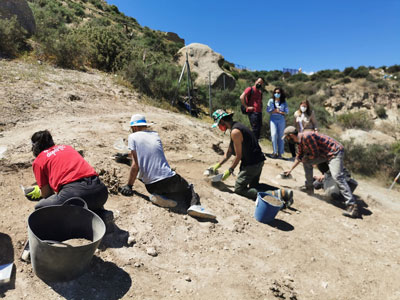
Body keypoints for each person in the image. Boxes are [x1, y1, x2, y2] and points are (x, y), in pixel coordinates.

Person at [120, 114, 216, 220]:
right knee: (189, 188)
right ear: (145, 126)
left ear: (134, 127)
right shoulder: (155, 135)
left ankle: (160, 196)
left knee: (149, 178)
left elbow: (135, 164)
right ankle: (195, 205)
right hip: (169, 180)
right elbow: (150, 152)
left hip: (151, 186)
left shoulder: (132, 137)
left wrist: (129, 186)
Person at [208, 109, 293, 203]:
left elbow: (238, 156)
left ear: (222, 121)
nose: (219, 127)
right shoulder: (236, 126)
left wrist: (230, 170)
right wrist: (217, 166)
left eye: (219, 124)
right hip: (258, 161)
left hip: (252, 164)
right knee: (254, 186)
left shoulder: (235, 132)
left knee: (239, 189)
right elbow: (229, 152)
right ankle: (284, 193)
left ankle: (275, 195)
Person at [27, 130, 111, 219]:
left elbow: (47, 194)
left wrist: (40, 192)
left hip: (76, 194)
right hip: (101, 192)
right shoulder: (67, 147)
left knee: (40, 207)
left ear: (34, 148)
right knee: (84, 200)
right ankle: (100, 214)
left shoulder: (38, 161)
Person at [282, 126, 359, 218]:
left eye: (287, 137)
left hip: (335, 152)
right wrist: (290, 169)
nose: (287, 139)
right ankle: (309, 188)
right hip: (325, 154)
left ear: (291, 135)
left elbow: (315, 154)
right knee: (306, 162)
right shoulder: (300, 142)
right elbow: (299, 157)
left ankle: (352, 206)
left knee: (337, 176)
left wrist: (305, 158)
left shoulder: (307, 136)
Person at [266, 87, 289, 158]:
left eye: (278, 93)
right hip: (273, 119)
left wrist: (280, 112)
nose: (277, 94)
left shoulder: (284, 102)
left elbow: (287, 111)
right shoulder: (270, 101)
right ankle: (274, 152)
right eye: (275, 92)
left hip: (281, 119)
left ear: (281, 93)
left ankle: (280, 153)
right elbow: (267, 110)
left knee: (281, 136)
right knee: (273, 134)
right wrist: (274, 111)